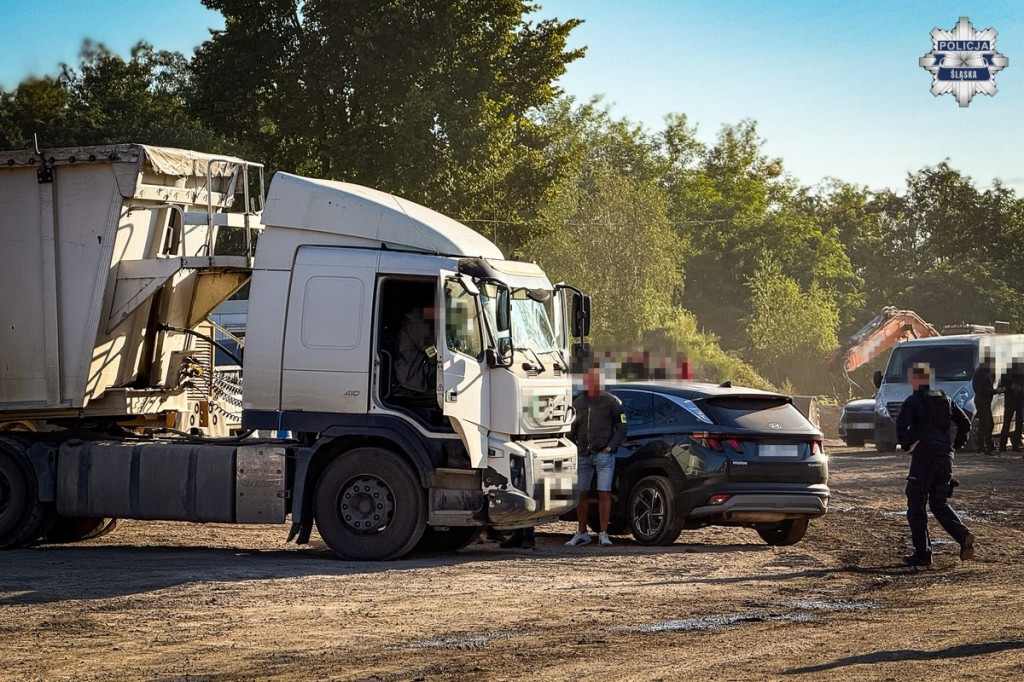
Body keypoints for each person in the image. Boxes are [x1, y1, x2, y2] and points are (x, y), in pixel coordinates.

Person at [895, 363, 976, 567]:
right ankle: (963, 535)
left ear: (915, 379)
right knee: (939, 503)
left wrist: (907, 446)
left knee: (916, 505)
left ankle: (923, 554)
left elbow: (900, 425)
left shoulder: (912, 401)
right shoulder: (945, 398)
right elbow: (965, 423)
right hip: (944, 458)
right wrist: (954, 447)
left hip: (924, 458)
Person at [566, 363, 627, 547]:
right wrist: (572, 446)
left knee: (604, 493)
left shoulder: (612, 402)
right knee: (581, 493)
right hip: (584, 454)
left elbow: (622, 426)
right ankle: (582, 531)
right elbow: (570, 428)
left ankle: (603, 533)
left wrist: (610, 447)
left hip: (604, 455)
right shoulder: (578, 403)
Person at [972, 354, 998, 454]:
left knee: (988, 424)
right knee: (986, 424)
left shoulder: (984, 372)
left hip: (985, 400)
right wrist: (995, 391)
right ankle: (983, 446)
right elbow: (982, 389)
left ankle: (986, 445)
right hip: (982, 400)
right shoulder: (980, 373)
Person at [998, 359, 1024, 452]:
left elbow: (1003, 385)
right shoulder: (1011, 373)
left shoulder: (1008, 372)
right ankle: (1009, 445)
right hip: (1014, 400)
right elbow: (1003, 386)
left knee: (1012, 423)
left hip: (1014, 400)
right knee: (1012, 423)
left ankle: (1006, 445)